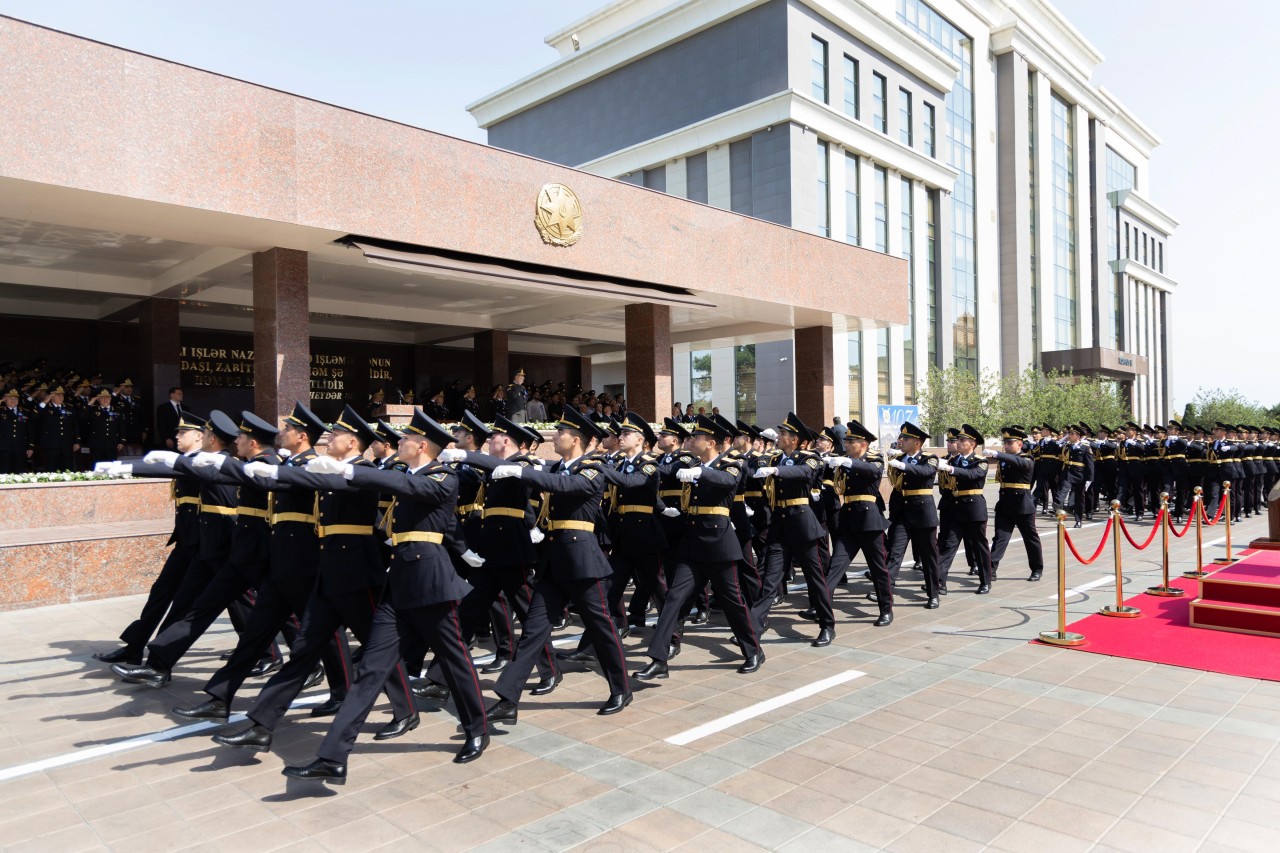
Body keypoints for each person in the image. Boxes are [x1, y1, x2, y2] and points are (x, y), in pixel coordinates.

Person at [279, 407, 490, 779]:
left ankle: (477, 728)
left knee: (454, 659)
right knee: (371, 669)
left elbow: (411, 488)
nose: (398, 443)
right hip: (399, 585)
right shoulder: (403, 474)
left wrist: (348, 469)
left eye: (405, 438)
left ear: (421, 445)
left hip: (431, 584)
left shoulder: (442, 477)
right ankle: (333, 756)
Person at [213, 406, 419, 756]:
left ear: (352, 441)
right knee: (304, 648)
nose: (329, 440)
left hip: (357, 573)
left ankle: (406, 710)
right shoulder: (331, 468)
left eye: (335, 435)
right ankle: (262, 723)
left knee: (376, 649)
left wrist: (248, 467)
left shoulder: (364, 471)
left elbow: (319, 481)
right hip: (329, 570)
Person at [484, 405, 633, 725]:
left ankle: (621, 687)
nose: (557, 436)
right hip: (554, 562)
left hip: (583, 562)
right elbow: (543, 474)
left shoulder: (593, 469)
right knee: (533, 632)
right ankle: (509, 697)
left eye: (563, 433)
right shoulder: (555, 468)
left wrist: (521, 471)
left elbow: (567, 487)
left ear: (577, 440)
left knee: (601, 627)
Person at [110, 411, 282, 687]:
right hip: (208, 545)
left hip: (231, 546)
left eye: (243, 436)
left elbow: (213, 493)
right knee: (192, 607)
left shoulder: (230, 464)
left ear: (210, 437)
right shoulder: (216, 461)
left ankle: (285, 656)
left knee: (272, 608)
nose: (238, 440)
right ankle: (158, 665)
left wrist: (133, 468)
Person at [634, 414, 763, 681]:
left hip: (719, 543)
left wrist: (702, 472)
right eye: (691, 437)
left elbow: (729, 482)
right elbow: (664, 473)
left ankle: (753, 650)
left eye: (697, 438)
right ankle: (659, 657)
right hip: (692, 541)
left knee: (733, 601)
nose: (691, 441)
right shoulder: (689, 463)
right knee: (674, 598)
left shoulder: (732, 463)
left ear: (712, 443)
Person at [91, 413, 208, 664]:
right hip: (186, 541)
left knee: (227, 601)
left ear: (199, 435)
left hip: (205, 545)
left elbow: (171, 470)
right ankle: (135, 646)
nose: (176, 437)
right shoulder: (186, 460)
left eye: (181, 433)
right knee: (160, 594)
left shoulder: (203, 462)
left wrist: (127, 467)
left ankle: (159, 659)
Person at [752, 412, 834, 646]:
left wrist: (777, 471)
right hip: (780, 525)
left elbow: (805, 473)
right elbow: (753, 467)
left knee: (814, 578)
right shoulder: (774, 458)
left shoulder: (810, 458)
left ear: (795, 439)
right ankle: (753, 628)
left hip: (802, 524)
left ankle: (827, 625)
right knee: (770, 580)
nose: (779, 436)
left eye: (784, 434)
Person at [824, 419, 891, 624]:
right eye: (846, 441)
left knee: (878, 567)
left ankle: (885, 609)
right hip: (848, 519)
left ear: (863, 444)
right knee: (835, 567)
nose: (846, 444)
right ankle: (820, 605)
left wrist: (848, 462)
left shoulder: (874, 458)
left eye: (850, 441)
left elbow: (873, 472)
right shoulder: (843, 460)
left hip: (869, 520)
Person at [881, 421, 942, 611]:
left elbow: (927, 472)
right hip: (902, 513)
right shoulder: (900, 457)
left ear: (917, 442)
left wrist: (903, 465)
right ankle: (885, 593)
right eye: (901, 437)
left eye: (905, 438)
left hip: (922, 512)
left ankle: (933, 593)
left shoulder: (929, 457)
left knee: (928, 555)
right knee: (894, 554)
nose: (901, 441)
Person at [936, 424, 993, 593]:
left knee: (979, 546)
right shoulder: (953, 460)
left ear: (972, 444)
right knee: (949, 545)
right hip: (955, 508)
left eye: (962, 441)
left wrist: (952, 469)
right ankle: (940, 581)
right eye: (958, 440)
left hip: (973, 508)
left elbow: (973, 475)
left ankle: (985, 581)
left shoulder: (980, 461)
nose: (958, 443)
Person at [986, 425, 1044, 582]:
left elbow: (1018, 463)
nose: (1006, 446)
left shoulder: (1027, 458)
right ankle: (991, 569)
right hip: (1005, 503)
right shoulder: (1004, 460)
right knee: (1000, 538)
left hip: (1022, 505)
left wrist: (997, 453)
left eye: (1010, 443)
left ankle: (1037, 568)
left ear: (1020, 444)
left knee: (1030, 538)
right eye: (1005, 443)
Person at [1059, 424, 1095, 529]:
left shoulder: (1085, 448)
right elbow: (1057, 446)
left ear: (1078, 436)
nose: (1069, 435)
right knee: (1063, 490)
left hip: (1080, 475)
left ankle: (1078, 520)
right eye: (1069, 434)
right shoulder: (1067, 446)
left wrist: (1089, 480)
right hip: (1067, 473)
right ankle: (1058, 505)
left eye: (1072, 434)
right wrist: (1064, 438)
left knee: (1079, 499)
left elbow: (1090, 465)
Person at [36, 385, 79, 472]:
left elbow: (75, 425)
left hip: (67, 443)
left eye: (62, 395)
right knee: (51, 467)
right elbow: (34, 417)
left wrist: (77, 441)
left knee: (68, 468)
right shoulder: (45, 407)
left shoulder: (69, 407)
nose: (60, 397)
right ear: (51, 396)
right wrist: (44, 402)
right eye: (57, 395)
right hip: (51, 443)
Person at [85, 388, 123, 464]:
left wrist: (122, 441)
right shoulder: (93, 410)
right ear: (98, 399)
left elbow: (121, 426)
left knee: (111, 466)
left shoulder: (117, 410)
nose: (105, 399)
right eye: (102, 397)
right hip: (96, 444)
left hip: (112, 443)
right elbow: (82, 417)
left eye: (108, 397)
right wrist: (90, 403)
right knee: (96, 465)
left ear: (111, 398)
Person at [113, 378, 147, 456]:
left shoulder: (137, 399)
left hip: (136, 432)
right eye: (126, 387)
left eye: (130, 387)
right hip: (122, 431)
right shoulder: (116, 399)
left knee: (137, 452)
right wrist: (117, 391)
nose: (129, 389)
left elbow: (142, 416)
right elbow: (109, 401)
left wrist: (144, 430)